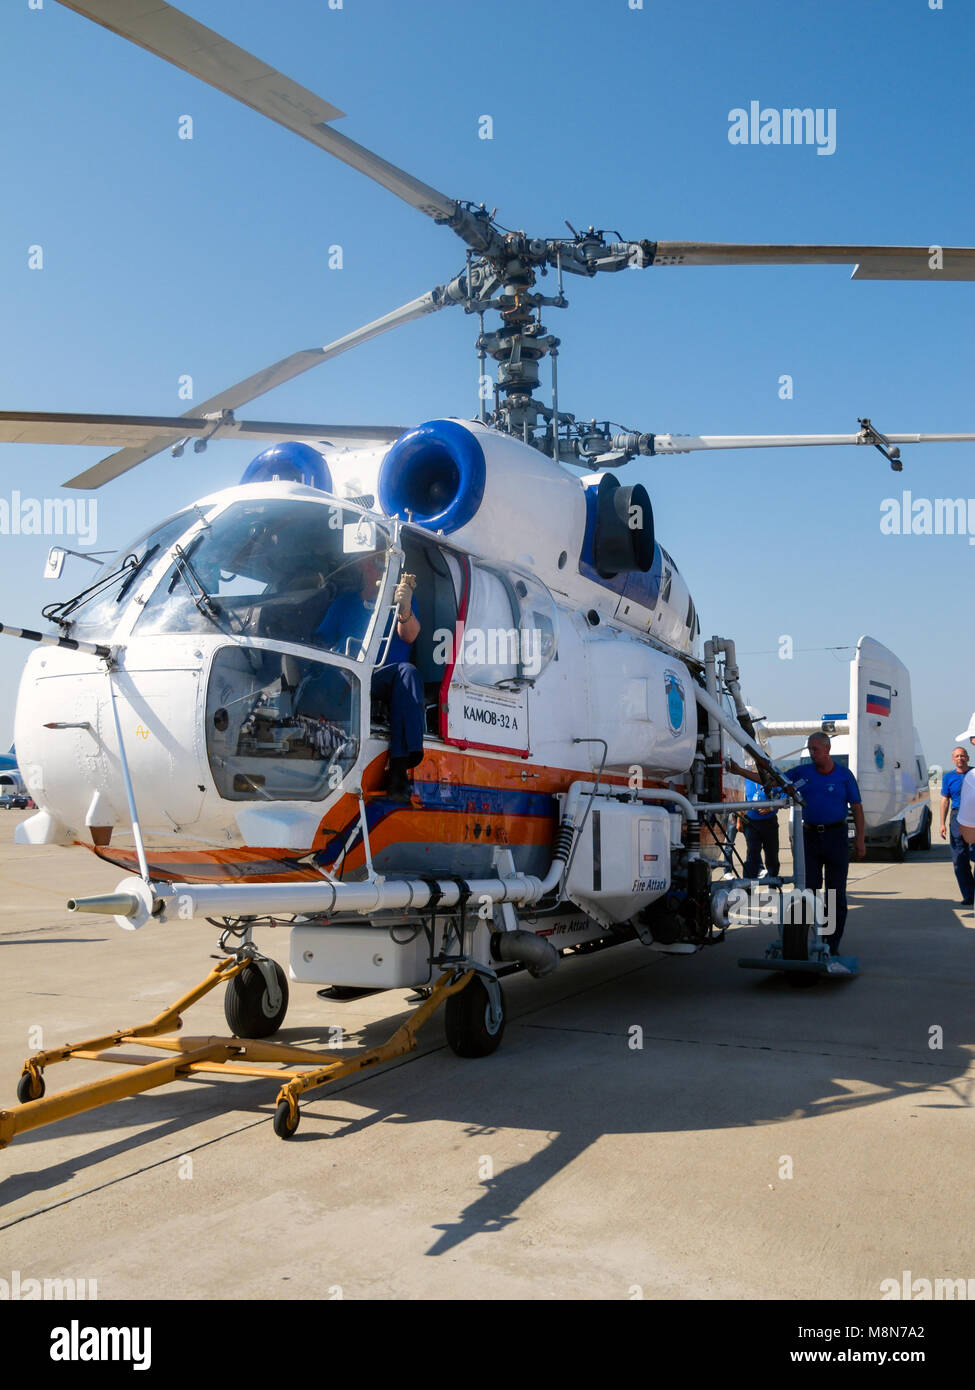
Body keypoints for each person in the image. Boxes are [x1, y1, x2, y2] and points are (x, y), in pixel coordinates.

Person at [316, 552, 424, 799]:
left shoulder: (401, 601)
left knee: (408, 675)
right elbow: (320, 642)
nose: (380, 567)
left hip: (384, 675)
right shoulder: (344, 604)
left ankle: (399, 769)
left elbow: (409, 635)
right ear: (363, 565)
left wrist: (404, 609)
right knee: (324, 675)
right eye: (375, 561)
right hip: (347, 674)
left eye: (384, 563)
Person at [784, 732, 865, 955]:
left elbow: (857, 807)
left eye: (815, 749)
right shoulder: (802, 772)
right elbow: (773, 778)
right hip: (809, 838)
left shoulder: (843, 775)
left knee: (835, 894)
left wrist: (859, 840)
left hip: (835, 838)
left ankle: (832, 944)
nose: (812, 754)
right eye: (810, 749)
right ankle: (802, 941)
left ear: (827, 749)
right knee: (807, 891)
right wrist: (740, 771)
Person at [940, 745, 974, 906]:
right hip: (956, 816)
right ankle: (968, 895)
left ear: (968, 757)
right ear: (953, 759)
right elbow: (945, 800)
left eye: (962, 756)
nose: (960, 758)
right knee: (959, 858)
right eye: (957, 756)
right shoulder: (948, 777)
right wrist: (942, 824)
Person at [738, 776, 785, 879]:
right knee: (752, 856)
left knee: (772, 856)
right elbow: (740, 799)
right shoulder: (746, 780)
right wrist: (739, 820)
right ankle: (750, 888)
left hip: (769, 823)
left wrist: (771, 807)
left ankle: (772, 887)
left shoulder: (772, 779)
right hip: (751, 824)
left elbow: (784, 795)